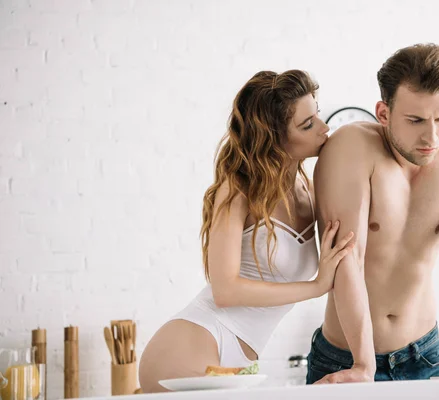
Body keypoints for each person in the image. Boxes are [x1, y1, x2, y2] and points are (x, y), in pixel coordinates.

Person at [138, 69, 355, 393]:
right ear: (274, 136)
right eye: (307, 125)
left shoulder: (307, 188)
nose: (323, 129)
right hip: (193, 342)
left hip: (241, 358)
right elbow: (225, 291)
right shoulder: (238, 190)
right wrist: (317, 285)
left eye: (318, 115)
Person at [306, 43, 439, 384]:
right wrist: (364, 365)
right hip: (346, 358)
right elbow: (347, 259)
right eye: (415, 120)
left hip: (423, 355)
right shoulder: (351, 146)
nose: (432, 136)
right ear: (383, 113)